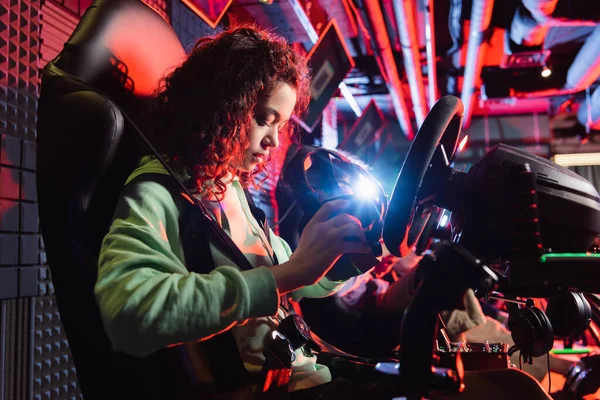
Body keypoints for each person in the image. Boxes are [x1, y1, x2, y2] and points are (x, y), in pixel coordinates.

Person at [94, 24, 552, 400]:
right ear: (222, 105)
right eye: (263, 118)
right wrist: (287, 274)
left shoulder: (225, 186)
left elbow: (289, 271)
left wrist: (342, 264)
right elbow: (128, 314)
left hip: (312, 376)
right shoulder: (156, 195)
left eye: (280, 122)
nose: (274, 141)